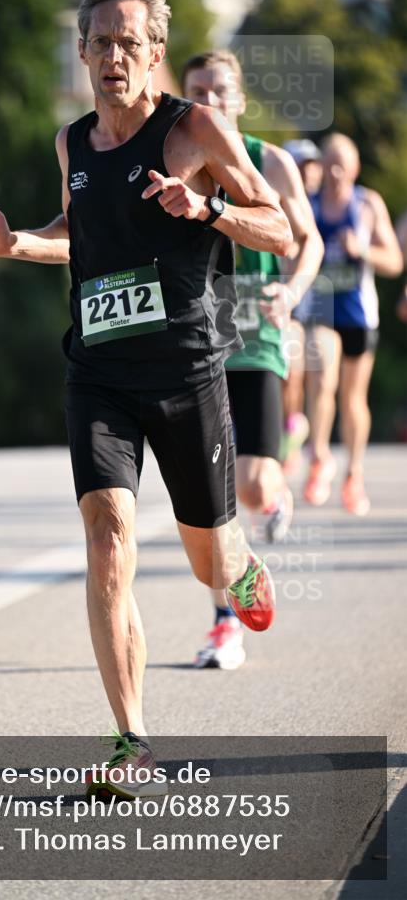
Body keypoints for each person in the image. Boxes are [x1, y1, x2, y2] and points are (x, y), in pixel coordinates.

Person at [0, 0, 291, 795]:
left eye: (128, 42)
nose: (113, 56)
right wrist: (13, 245)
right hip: (97, 372)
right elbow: (74, 236)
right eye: (99, 42)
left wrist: (204, 211)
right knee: (107, 540)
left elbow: (279, 229)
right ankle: (130, 739)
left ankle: (237, 559)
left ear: (154, 53)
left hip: (186, 369)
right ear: (80, 53)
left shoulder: (197, 129)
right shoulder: (71, 143)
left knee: (206, 562)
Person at [181, 51, 324, 670]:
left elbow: (307, 238)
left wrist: (290, 293)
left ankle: (278, 492)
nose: (208, 103)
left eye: (218, 92)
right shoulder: (176, 162)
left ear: (238, 99)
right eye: (196, 93)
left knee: (255, 482)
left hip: (258, 334)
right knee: (216, 494)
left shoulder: (271, 161)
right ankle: (224, 624)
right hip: (196, 338)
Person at [303, 133, 403, 514]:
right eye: (329, 161)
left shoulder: (366, 204)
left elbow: (394, 261)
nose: (335, 169)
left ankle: (354, 474)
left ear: (356, 167)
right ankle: (320, 458)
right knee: (323, 379)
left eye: (342, 162)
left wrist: (364, 251)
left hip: (360, 312)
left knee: (352, 397)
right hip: (321, 311)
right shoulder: (309, 205)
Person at [281, 138, 324, 473]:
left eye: (311, 167)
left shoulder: (321, 206)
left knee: (302, 375)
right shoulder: (277, 199)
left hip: (315, 306)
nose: (308, 173)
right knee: (287, 375)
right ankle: (289, 428)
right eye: (301, 167)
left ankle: (294, 429)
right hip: (282, 302)